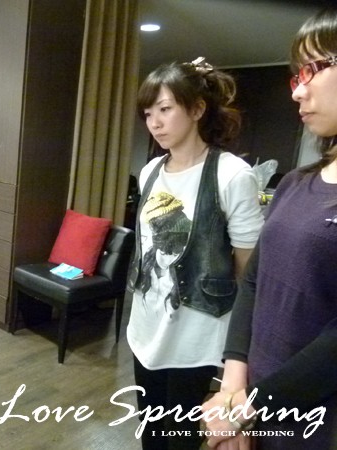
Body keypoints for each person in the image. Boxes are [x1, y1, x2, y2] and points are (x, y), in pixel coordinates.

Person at [202, 8, 337, 450]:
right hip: (251, 405)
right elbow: (255, 281)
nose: (298, 90)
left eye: (314, 68)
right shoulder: (296, 183)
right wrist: (231, 387)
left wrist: (249, 408)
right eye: (297, 74)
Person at [125, 57, 264, 450]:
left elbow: (249, 271)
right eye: (148, 113)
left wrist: (239, 353)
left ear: (198, 109)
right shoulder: (151, 170)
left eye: (165, 109)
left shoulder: (231, 175)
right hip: (145, 328)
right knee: (151, 433)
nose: (154, 123)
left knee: (180, 440)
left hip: (196, 338)